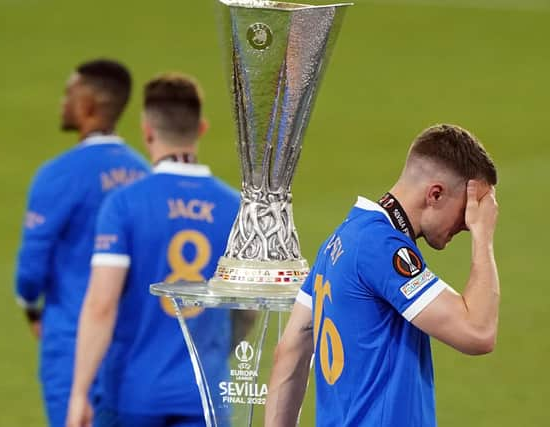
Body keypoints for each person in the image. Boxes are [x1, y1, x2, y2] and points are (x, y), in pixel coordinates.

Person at [265, 124, 500, 427]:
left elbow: (290, 353)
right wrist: (484, 236)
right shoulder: (381, 247)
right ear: (436, 194)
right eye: (470, 208)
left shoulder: (341, 239)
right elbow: (477, 333)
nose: (469, 222)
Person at [66, 73, 240, 427]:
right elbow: (248, 307)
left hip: (133, 395)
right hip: (206, 395)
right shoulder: (236, 208)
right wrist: (216, 347)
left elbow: (101, 305)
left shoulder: (124, 205)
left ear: (146, 131)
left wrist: (79, 392)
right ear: (201, 128)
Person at [14, 59, 150, 427]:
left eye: (69, 94)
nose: (62, 102)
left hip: (73, 343)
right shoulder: (143, 174)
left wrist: (31, 308)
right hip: (135, 346)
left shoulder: (58, 174)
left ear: (88, 105)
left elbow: (31, 266)